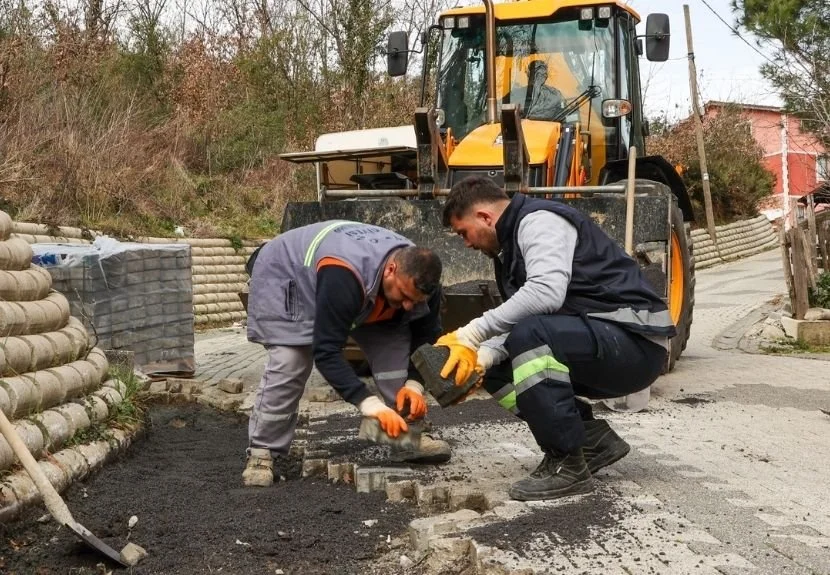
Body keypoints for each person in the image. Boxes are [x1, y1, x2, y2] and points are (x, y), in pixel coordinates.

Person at [435, 176, 676, 501]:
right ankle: (589, 441)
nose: (466, 243)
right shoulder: (509, 249)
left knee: (532, 336)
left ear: (484, 217)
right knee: (495, 367)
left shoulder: (538, 221)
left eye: (464, 232)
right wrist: (481, 358)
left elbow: (546, 294)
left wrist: (471, 332)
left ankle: (567, 464)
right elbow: (523, 314)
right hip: (598, 338)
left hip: (636, 344)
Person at [243, 220, 451, 487]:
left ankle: (405, 438)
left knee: (394, 358)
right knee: (291, 361)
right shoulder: (343, 273)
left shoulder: (421, 278)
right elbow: (326, 350)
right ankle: (263, 453)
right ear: (391, 269)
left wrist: (414, 385)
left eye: (416, 301)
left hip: (363, 287)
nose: (409, 305)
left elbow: (426, 335)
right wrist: (370, 405)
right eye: (404, 295)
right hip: (288, 276)